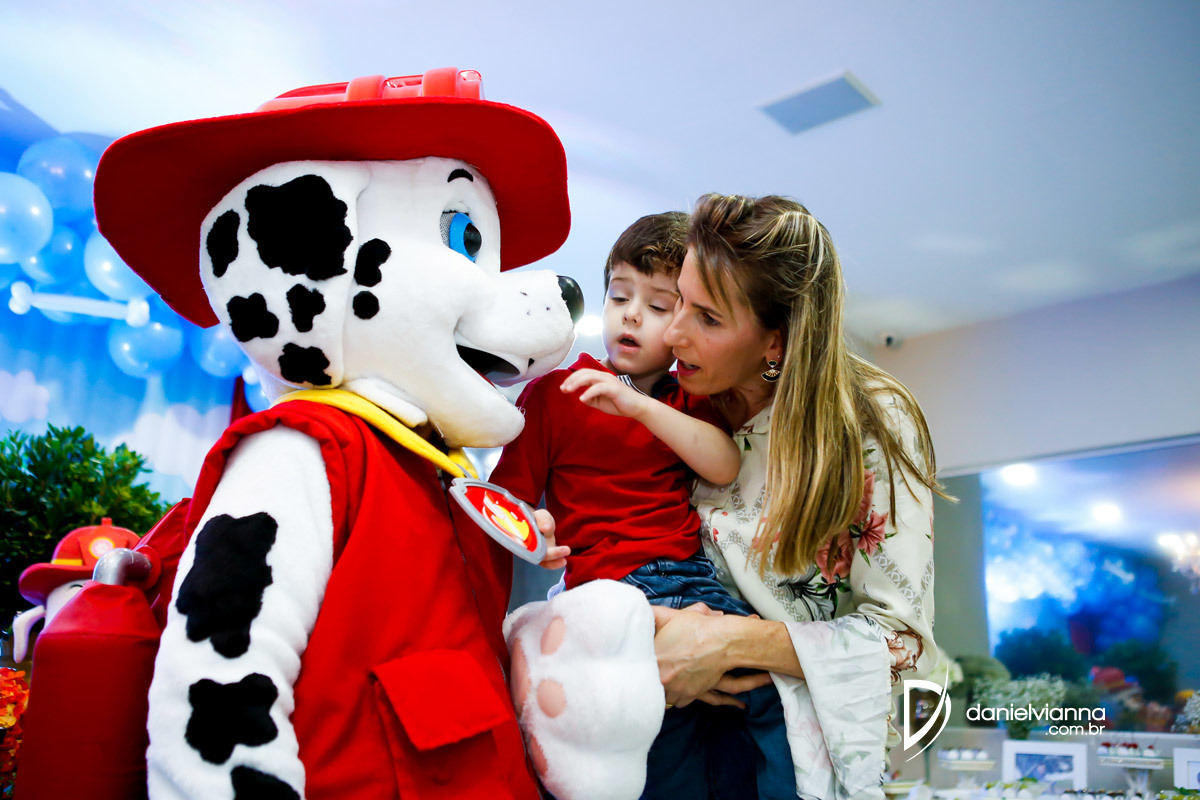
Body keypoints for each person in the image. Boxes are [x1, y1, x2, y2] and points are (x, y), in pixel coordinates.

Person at [578, 194, 944, 799]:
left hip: (792, 762)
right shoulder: (669, 404)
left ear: (775, 342)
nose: (674, 332)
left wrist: (727, 642)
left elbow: (904, 646)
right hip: (663, 738)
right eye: (678, 301)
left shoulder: (870, 422)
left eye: (708, 319)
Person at [491, 211, 796, 799]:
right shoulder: (559, 392)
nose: (631, 314)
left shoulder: (689, 401)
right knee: (666, 737)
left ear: (682, 324)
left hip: (691, 578)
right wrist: (534, 528)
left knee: (758, 702)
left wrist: (639, 407)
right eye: (619, 295)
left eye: (658, 306)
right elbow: (507, 497)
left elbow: (725, 464)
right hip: (613, 590)